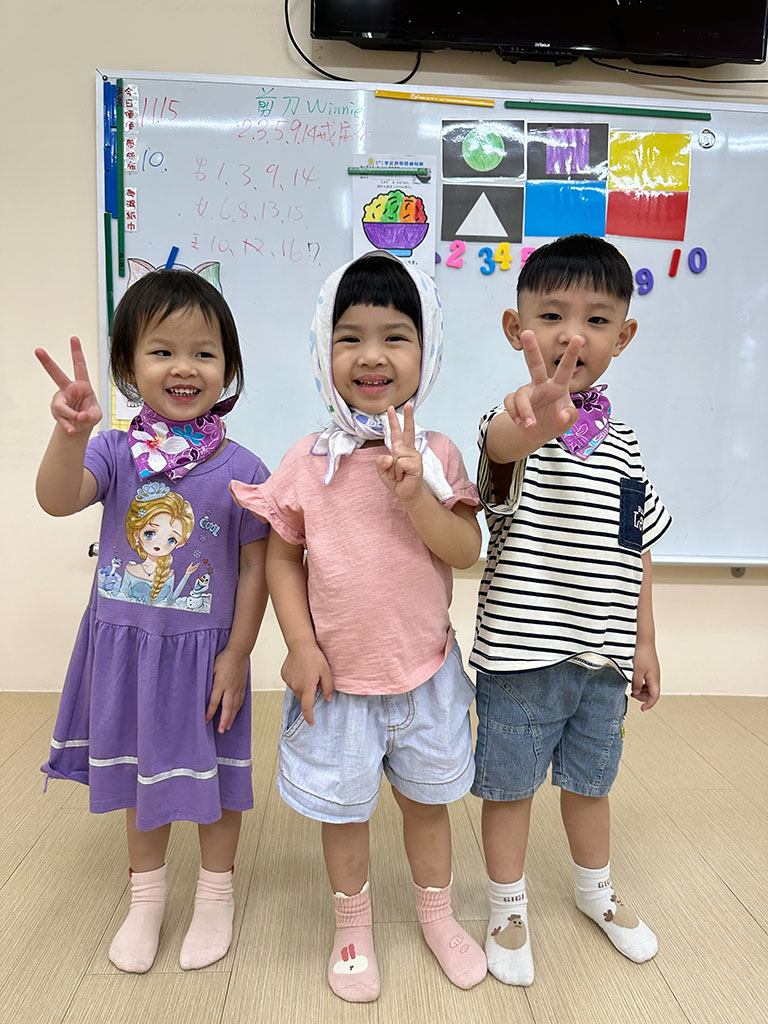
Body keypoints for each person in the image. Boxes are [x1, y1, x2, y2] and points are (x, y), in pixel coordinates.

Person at [231, 251, 487, 1002]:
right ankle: (352, 926)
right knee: (342, 815)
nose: (372, 355)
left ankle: (436, 914)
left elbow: (465, 551)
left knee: (428, 805)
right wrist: (299, 645)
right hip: (335, 684)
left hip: (425, 674)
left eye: (395, 336)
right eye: (350, 337)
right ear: (324, 350)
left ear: (426, 350)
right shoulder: (308, 461)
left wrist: (416, 495)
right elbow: (283, 558)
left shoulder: (437, 454)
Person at [35, 269, 270, 974]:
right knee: (144, 778)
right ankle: (146, 899)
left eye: (204, 352)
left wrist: (239, 653)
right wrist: (70, 434)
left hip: (207, 660)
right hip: (128, 654)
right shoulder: (111, 451)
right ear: (128, 367)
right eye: (162, 350)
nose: (184, 367)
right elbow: (56, 499)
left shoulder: (246, 469)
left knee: (215, 781)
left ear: (228, 367)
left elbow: (257, 569)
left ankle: (216, 895)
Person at [470, 234, 672, 986]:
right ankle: (506, 908)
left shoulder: (627, 445)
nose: (572, 336)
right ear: (515, 329)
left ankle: (595, 891)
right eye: (551, 316)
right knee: (509, 789)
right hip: (521, 659)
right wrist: (532, 424)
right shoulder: (515, 421)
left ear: (625, 335)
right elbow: (498, 453)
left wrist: (645, 642)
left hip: (603, 660)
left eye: (596, 319)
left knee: (593, 783)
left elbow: (637, 548)